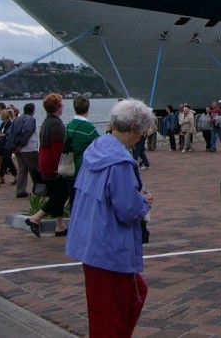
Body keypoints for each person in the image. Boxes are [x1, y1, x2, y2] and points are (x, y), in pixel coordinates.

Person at [66, 98, 155, 338]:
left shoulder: (96, 149)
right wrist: (143, 201)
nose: (141, 138)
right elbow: (127, 209)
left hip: (90, 243)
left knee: (104, 310)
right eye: (142, 132)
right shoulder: (120, 162)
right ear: (134, 129)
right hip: (110, 247)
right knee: (118, 310)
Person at [25, 93, 68, 237]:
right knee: (61, 195)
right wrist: (61, 167)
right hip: (53, 165)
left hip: (45, 162)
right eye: (61, 104)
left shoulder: (47, 121)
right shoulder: (56, 123)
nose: (63, 106)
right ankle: (35, 218)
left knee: (57, 194)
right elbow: (57, 148)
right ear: (57, 107)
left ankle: (60, 225)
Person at [63, 95, 101, 213]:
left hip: (68, 166)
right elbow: (99, 144)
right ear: (87, 108)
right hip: (82, 168)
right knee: (83, 201)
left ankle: (72, 222)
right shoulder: (88, 127)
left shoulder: (69, 125)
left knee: (72, 198)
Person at [7, 102, 38, 198]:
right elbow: (27, 132)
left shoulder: (17, 119)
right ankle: (39, 189)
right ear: (33, 110)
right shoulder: (31, 120)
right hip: (28, 149)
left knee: (22, 169)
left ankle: (20, 190)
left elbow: (10, 132)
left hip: (17, 150)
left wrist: (13, 146)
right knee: (35, 169)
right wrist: (21, 144)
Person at [0, 108, 18, 186]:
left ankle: (0, 178)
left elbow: (9, 135)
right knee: (9, 162)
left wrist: (0, 135)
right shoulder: (3, 124)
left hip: (8, 145)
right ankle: (16, 177)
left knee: (4, 162)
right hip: (2, 145)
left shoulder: (10, 124)